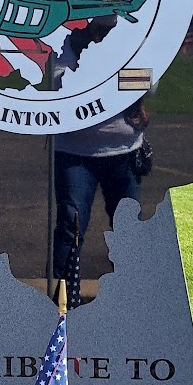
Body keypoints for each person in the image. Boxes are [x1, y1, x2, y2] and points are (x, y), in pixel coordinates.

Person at [51, 16, 150, 303]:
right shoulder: (68, 43)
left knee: (129, 228)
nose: (106, 32)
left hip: (125, 150)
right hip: (75, 153)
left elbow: (148, 80)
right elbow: (55, 82)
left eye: (111, 27)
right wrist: (114, 78)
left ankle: (133, 298)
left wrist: (95, 78)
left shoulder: (131, 45)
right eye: (101, 27)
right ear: (90, 24)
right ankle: (64, 302)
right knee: (71, 225)